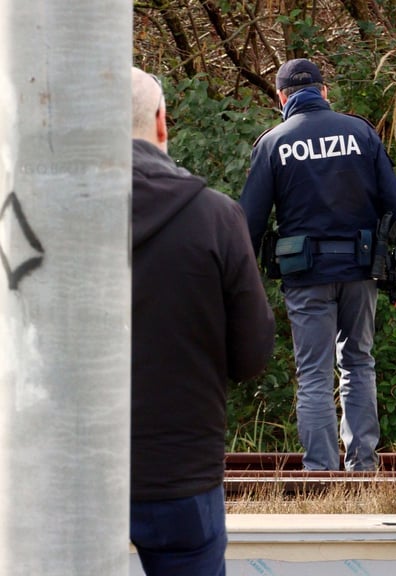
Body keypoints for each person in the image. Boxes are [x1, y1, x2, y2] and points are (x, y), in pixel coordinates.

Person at [240, 58, 396, 472]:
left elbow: (249, 222)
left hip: (305, 277)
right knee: (359, 364)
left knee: (314, 374)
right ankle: (363, 468)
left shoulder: (274, 143)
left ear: (281, 98)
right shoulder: (361, 133)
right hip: (360, 270)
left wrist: (240, 287)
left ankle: (320, 472)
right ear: (324, 92)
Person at [130, 66, 275, 574]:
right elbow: (251, 355)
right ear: (161, 122)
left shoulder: (40, 220)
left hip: (67, 474)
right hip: (181, 473)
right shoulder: (215, 217)